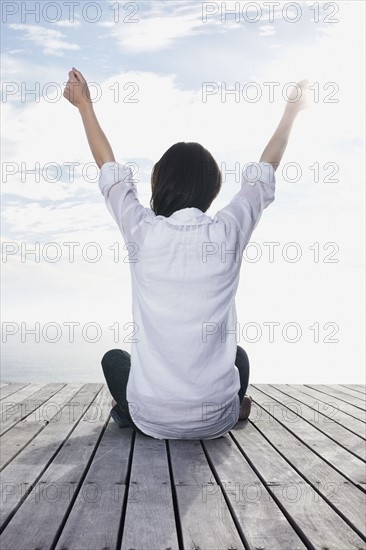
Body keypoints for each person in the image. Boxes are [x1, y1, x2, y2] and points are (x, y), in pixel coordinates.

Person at [64, 69, 308, 439]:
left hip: (152, 419)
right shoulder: (228, 231)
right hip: (217, 420)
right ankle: (232, 406)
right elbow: (264, 172)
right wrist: (291, 113)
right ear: (212, 189)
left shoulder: (142, 231)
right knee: (238, 357)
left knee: (114, 361)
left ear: (159, 183)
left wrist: (84, 107)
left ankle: (129, 412)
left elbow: (109, 170)